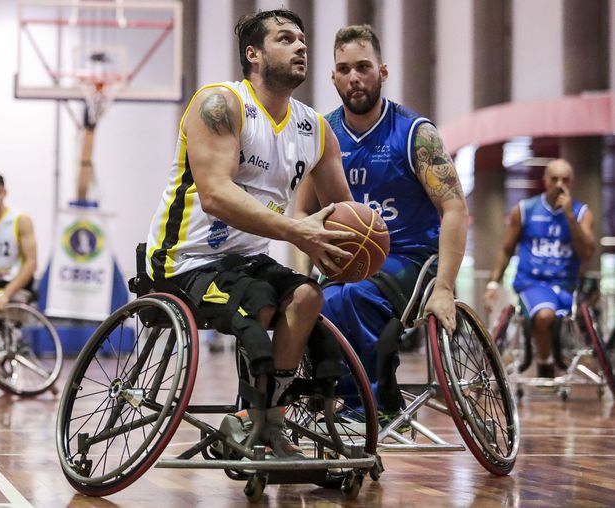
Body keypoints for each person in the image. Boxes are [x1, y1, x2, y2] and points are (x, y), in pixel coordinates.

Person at [145, 9, 356, 459]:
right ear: (253, 54)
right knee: (258, 301)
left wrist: (361, 246)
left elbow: (346, 215)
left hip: (249, 261)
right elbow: (216, 196)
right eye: (285, 39)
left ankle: (266, 417)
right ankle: (256, 418)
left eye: (303, 39)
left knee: (307, 298)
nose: (301, 46)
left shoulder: (316, 129)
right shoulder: (219, 104)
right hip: (186, 259)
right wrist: (298, 231)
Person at [296, 24, 468, 420]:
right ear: (333, 77)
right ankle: (318, 401)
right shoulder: (322, 134)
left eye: (363, 67)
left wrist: (443, 287)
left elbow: (455, 208)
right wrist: (310, 254)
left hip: (409, 259)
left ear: (383, 72)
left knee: (351, 296)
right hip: (346, 258)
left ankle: (368, 406)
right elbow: (303, 211)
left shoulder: (415, 133)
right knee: (306, 300)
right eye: (344, 69)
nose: (354, 78)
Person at [484, 159, 595, 378]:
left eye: (564, 179)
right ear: (545, 181)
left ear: (571, 182)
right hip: (531, 282)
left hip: (565, 284)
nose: (559, 184)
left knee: (556, 315)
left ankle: (552, 356)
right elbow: (506, 250)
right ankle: (545, 363)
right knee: (545, 315)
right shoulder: (524, 210)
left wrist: (570, 218)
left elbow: (587, 253)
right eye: (554, 179)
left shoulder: (582, 213)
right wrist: (493, 283)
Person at [0, 173, 38, 312]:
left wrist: (7, 293)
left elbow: (31, 263)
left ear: (4, 193)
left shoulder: (20, 220)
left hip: (18, 285)